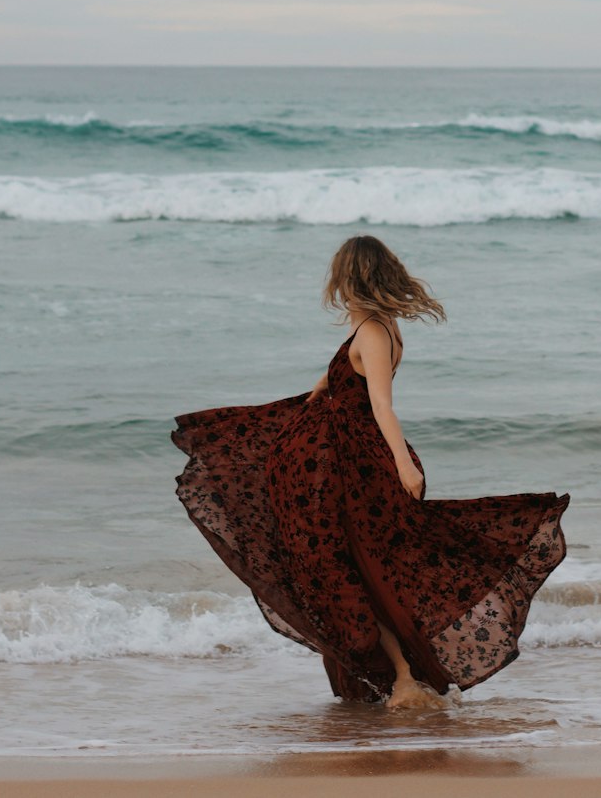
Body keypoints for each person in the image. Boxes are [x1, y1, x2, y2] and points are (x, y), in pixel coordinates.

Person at [171, 234, 570, 709]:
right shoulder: (365, 331)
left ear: (350, 278)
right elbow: (334, 384)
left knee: (359, 573)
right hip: (335, 468)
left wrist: (404, 464)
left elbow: (382, 405)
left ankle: (403, 677)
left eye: (338, 275)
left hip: (354, 471)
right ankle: (399, 678)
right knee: (347, 570)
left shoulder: (376, 334)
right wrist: (294, 412)